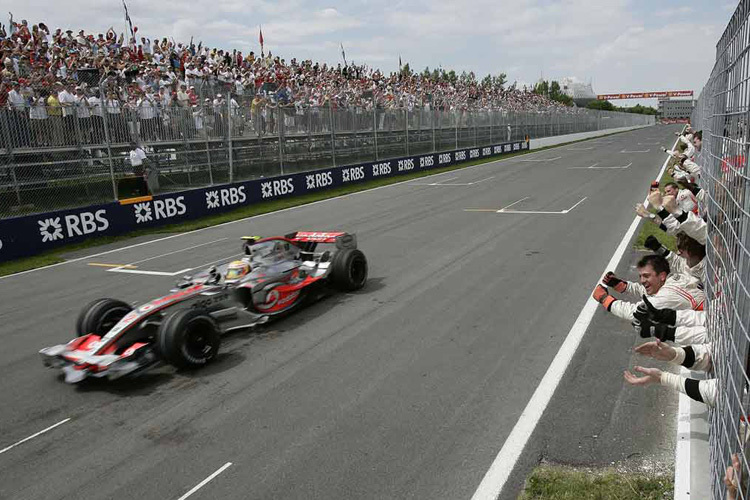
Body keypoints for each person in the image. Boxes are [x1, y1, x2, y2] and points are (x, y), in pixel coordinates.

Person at [592, 254, 704, 322]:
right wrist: (624, 286)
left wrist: (604, 299)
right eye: (640, 276)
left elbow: (635, 313)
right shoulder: (675, 279)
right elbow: (653, 292)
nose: (642, 280)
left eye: (646, 276)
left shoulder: (668, 295)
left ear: (662, 276)